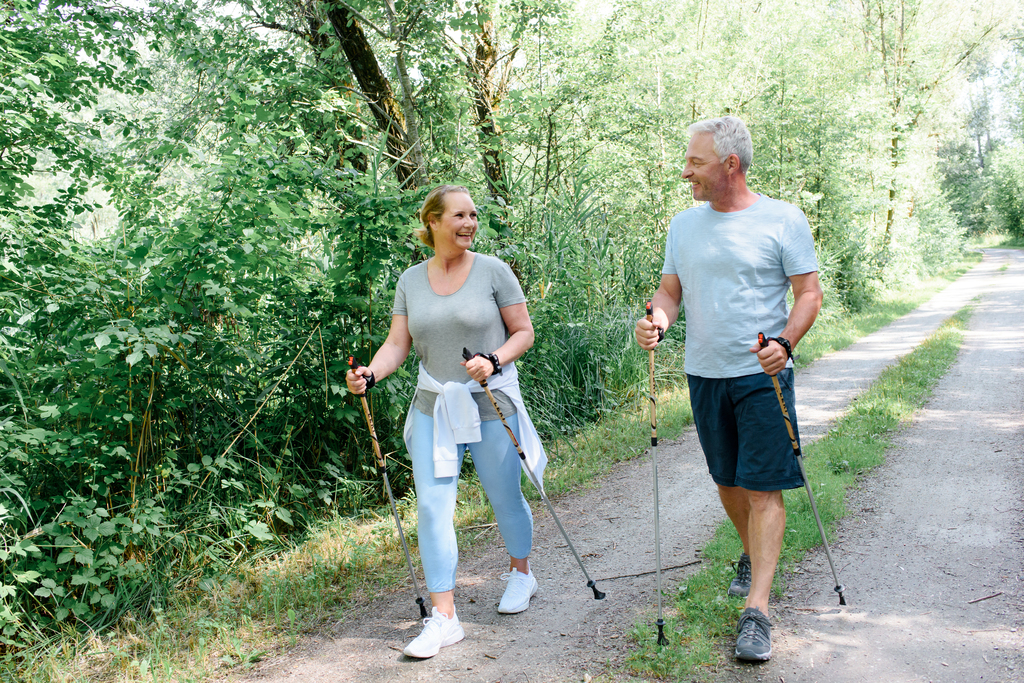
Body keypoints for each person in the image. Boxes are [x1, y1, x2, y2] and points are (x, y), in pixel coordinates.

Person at [635, 116, 823, 662]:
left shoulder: (783, 220)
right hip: (704, 372)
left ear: (730, 165)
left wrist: (786, 343)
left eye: (695, 162)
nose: (685, 170)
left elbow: (808, 294)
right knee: (728, 481)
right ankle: (750, 553)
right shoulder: (683, 225)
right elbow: (669, 291)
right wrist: (658, 321)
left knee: (764, 487)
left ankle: (757, 612)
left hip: (763, 374)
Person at [346, 185, 545, 660]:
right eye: (460, 215)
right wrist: (370, 373)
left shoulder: (494, 271)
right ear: (432, 221)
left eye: (474, 215)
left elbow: (524, 332)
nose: (470, 223)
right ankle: (444, 618)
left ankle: (521, 572)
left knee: (504, 493)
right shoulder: (410, 280)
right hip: (434, 404)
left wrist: (494, 360)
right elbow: (398, 344)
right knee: (433, 507)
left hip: (490, 401)